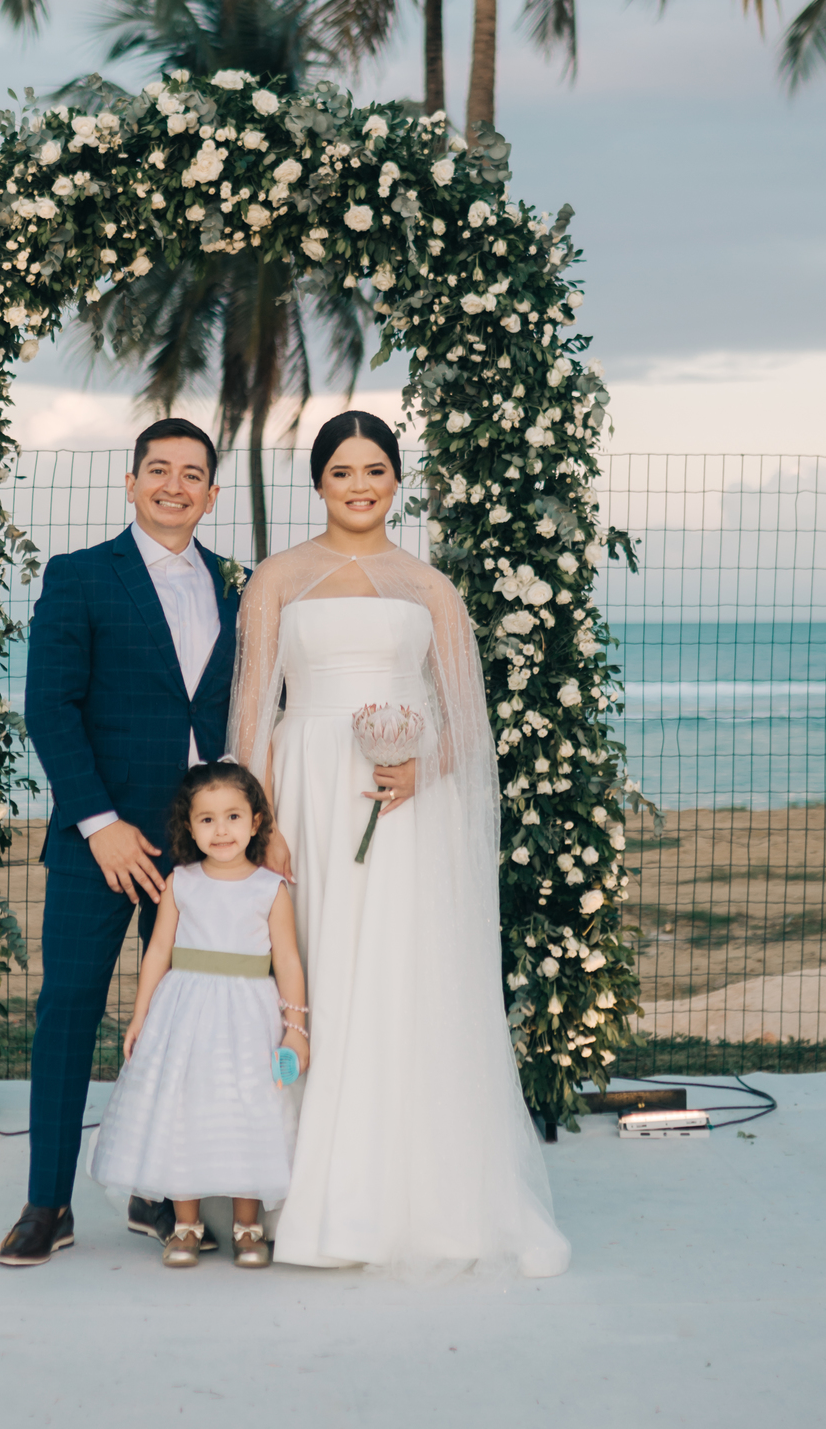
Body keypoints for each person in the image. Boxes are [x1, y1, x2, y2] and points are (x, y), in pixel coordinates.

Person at [229, 410, 571, 1276]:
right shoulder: (277, 577)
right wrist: (261, 822)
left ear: (395, 479)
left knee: (392, 972)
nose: (359, 485)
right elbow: (252, 711)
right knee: (312, 973)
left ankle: (398, 1189)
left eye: (375, 469)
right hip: (304, 789)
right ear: (319, 482)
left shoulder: (430, 587)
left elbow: (467, 720)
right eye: (342, 470)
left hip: (399, 803)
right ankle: (284, 1183)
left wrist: (423, 769)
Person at [0, 420, 249, 1267]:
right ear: (132, 481)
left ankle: (157, 1185)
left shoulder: (237, 585)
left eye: (193, 474)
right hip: (99, 844)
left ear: (213, 493)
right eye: (160, 470)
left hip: (201, 853)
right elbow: (50, 709)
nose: (175, 485)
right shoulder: (77, 577)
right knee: (68, 1012)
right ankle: (48, 1202)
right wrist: (99, 824)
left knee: (183, 1026)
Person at [89, 762, 307, 1268]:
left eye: (233, 816)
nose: (221, 829)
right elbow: (159, 950)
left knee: (247, 1108)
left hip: (250, 1016)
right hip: (183, 1015)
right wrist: (141, 1016)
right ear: (189, 827)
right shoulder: (180, 882)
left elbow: (289, 959)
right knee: (183, 1110)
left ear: (256, 823)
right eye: (206, 820)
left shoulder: (269, 888)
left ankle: (247, 1226)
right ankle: (185, 1225)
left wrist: (296, 1029)